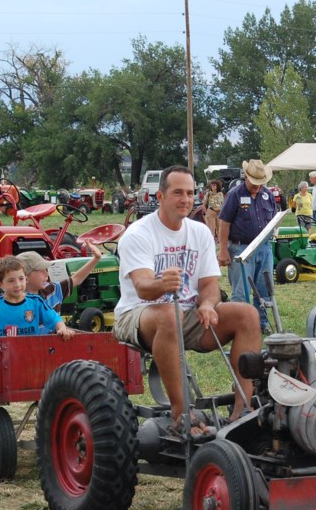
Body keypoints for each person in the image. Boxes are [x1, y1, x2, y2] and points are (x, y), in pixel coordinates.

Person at [114, 165, 261, 437]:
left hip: (188, 314)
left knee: (247, 315)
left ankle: (244, 412)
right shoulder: (138, 234)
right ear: (160, 196)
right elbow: (143, 288)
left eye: (190, 193)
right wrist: (161, 284)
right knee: (170, 315)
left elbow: (209, 286)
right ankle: (181, 414)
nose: (185, 199)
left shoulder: (200, 232)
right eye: (177, 193)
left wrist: (207, 304)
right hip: (138, 315)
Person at [0, 255, 74, 355]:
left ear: (26, 279)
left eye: (21, 279)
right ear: (0, 284)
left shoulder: (36, 302)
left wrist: (62, 328)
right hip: (2, 358)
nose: (17, 284)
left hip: (32, 355)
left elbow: (55, 318)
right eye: (11, 281)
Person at [218, 159, 278, 334]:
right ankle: (241, 326)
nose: (258, 187)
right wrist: (223, 250)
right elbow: (224, 223)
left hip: (264, 248)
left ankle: (261, 323)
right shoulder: (234, 195)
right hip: (240, 249)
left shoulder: (268, 195)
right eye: (255, 183)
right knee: (241, 291)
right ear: (246, 177)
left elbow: (274, 219)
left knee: (264, 289)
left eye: (261, 183)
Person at [18, 243, 103, 332]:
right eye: (41, 271)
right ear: (25, 276)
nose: (46, 274)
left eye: (46, 270)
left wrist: (96, 259)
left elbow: (76, 279)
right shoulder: (14, 302)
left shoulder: (53, 290)